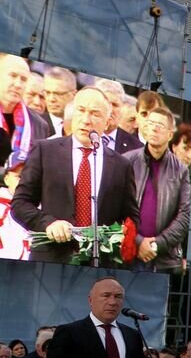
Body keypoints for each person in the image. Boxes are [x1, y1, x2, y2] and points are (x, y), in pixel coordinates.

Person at [11, 87, 140, 265]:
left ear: (107, 121)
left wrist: (117, 237)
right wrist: (48, 224)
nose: (86, 120)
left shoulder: (121, 165)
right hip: (50, 259)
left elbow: (131, 218)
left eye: (95, 114)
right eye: (81, 110)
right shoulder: (45, 151)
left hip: (99, 264)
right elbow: (19, 204)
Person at [125, 106, 191, 272]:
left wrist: (156, 244)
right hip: (129, 253)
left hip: (164, 259)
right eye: (150, 123)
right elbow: (116, 208)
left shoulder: (181, 170)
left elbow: (185, 216)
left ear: (170, 134)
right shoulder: (127, 161)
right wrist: (138, 241)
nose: (154, 128)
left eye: (160, 125)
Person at [0, 53, 50, 176]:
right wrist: (7, 176)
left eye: (23, 79)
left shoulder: (39, 125)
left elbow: (38, 171)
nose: (18, 84)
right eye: (13, 76)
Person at [41, 66, 77, 138]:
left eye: (58, 94)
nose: (51, 99)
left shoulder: (82, 125)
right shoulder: (35, 124)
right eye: (47, 93)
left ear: (74, 95)